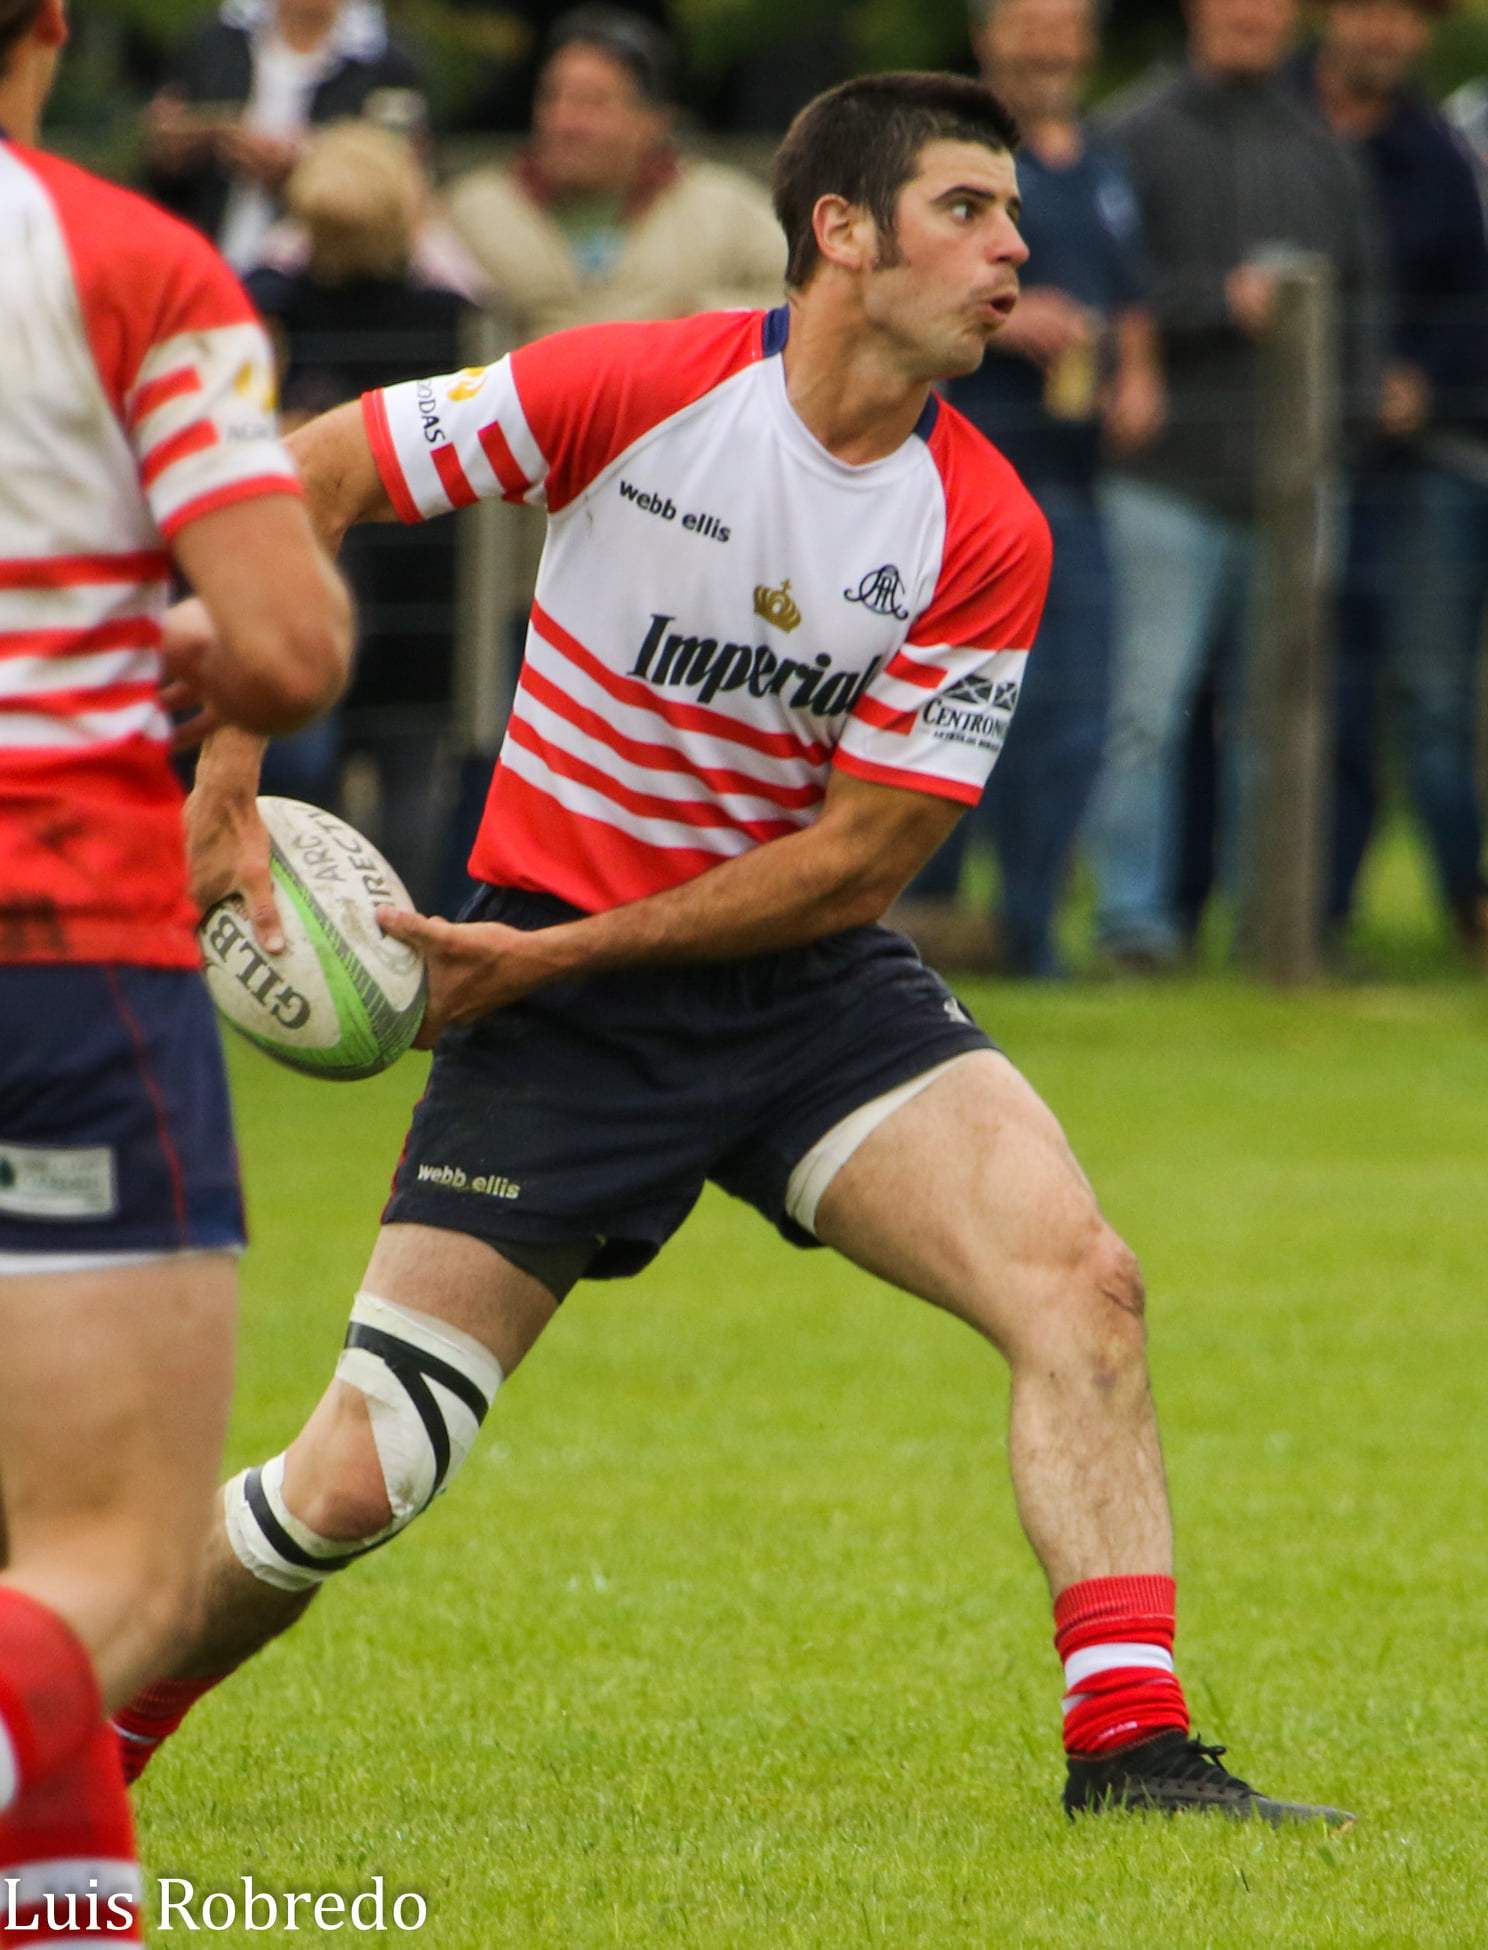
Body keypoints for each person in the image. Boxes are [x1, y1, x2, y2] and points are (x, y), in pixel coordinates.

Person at [114, 71, 1348, 1827]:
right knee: (360, 1476)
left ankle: (1130, 1750)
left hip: (798, 987)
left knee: (1081, 1285)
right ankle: (80, 1737)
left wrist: (551, 961)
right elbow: (304, 476)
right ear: (838, 232)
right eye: (965, 212)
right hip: (552, 997)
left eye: (1010, 216)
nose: (1013, 251)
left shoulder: (983, 527)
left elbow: (855, 864)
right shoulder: (638, 385)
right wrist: (223, 790)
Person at [0, 0, 351, 1937]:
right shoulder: (131, 263)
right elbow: (285, 646)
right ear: (49, 25)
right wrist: (202, 651)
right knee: (109, 1570)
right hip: (55, 959)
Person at [1085, 0, 1380, 968]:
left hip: (1295, 493)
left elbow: (1364, 306)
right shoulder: (1133, 132)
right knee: (1143, 714)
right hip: (1162, 480)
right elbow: (1101, 290)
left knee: (1284, 718)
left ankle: (1275, 929)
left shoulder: (1321, 147)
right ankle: (1135, 926)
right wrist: (1222, 302)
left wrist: (1345, 428)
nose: (1251, 14)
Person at [892, 0, 1164, 978]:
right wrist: (1007, 319)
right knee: (949, 715)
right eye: (1028, 26)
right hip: (960, 481)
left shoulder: (1097, 163)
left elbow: (1129, 299)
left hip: (1076, 488)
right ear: (986, 36)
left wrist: (1140, 372)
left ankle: (1032, 935)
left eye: (1065, 27)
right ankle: (918, 941)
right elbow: (891, 283)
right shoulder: (945, 157)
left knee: (1075, 718)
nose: (1047, 46)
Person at [1297, 0, 1488, 964]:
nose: (1387, 33)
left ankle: (1467, 901)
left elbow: (1471, 299)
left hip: (1411, 464)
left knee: (1425, 691)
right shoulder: (1275, 119)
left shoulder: (1440, 153)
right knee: (1307, 690)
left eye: (1408, 18)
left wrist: (1425, 380)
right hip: (1275, 461)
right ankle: (1308, 914)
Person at [247, 120, 474, 911]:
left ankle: (324, 932)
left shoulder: (270, 302)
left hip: (339, 582)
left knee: (326, 779)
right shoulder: (452, 316)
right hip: (418, 582)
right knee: (407, 772)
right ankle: (397, 936)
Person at [446, 5, 786, 340]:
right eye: (552, 98)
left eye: (590, 102)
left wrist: (699, 318)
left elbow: (804, 294)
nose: (564, 122)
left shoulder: (723, 209)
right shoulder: (473, 210)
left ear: (654, 120)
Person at [141, 0, 422, 273]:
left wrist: (304, 172)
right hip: (206, 251)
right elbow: (160, 170)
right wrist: (174, 148)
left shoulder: (388, 64)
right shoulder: (210, 41)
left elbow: (400, 181)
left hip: (324, 273)